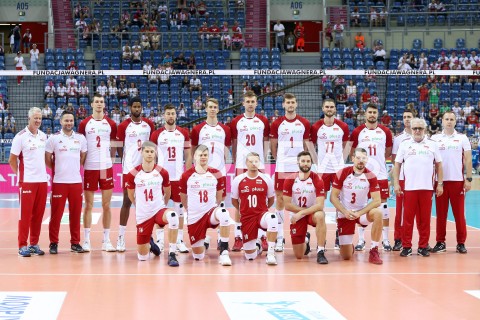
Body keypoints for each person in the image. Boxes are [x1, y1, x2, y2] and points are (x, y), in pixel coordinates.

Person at [393, 118, 443, 257]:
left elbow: (439, 165)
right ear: (411, 129)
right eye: (415, 128)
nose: (417, 131)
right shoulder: (404, 144)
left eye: (420, 129)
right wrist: (396, 183)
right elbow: (397, 165)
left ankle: (422, 246)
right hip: (409, 188)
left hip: (427, 188)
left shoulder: (432, 144)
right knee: (407, 219)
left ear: (425, 130)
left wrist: (440, 184)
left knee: (425, 219)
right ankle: (407, 246)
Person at [125, 141, 180, 267]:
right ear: (142, 152)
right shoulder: (133, 174)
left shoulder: (163, 172)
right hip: (143, 214)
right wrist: (139, 206)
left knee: (173, 216)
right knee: (142, 258)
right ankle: (150, 244)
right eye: (147, 151)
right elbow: (130, 195)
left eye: (152, 152)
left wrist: (163, 206)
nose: (149, 154)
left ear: (155, 153)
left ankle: (172, 254)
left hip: (158, 210)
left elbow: (167, 192)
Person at [230, 91, 270, 251]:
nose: (251, 104)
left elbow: (266, 141)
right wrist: (235, 160)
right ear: (243, 103)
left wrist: (264, 160)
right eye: (248, 101)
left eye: (253, 101)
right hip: (241, 163)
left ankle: (262, 236)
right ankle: (238, 236)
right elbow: (233, 143)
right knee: (240, 202)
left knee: (262, 201)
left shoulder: (263, 121)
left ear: (256, 103)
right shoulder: (236, 121)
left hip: (259, 164)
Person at [179, 145, 232, 266]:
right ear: (194, 157)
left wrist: (213, 208)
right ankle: (205, 240)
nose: (203, 157)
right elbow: (183, 198)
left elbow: (220, 197)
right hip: (195, 217)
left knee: (224, 213)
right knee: (198, 257)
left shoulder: (216, 173)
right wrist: (191, 210)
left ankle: (224, 252)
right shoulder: (186, 175)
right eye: (200, 155)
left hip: (210, 213)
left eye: (205, 155)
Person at [350, 103, 393, 251]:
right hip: (362, 175)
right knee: (360, 206)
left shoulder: (385, 131)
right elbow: (353, 153)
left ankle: (385, 240)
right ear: (365, 114)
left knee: (383, 207)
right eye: (370, 112)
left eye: (374, 112)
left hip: (380, 175)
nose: (372, 115)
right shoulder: (357, 132)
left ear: (378, 114)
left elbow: (387, 152)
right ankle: (361, 240)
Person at [270, 93, 310, 252]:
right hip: (282, 167)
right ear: (283, 105)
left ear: (296, 104)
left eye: (293, 102)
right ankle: (280, 237)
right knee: (280, 200)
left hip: (298, 167)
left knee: (301, 199)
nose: (291, 105)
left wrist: (302, 162)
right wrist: (280, 159)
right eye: (288, 102)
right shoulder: (277, 123)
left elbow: (306, 147)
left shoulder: (304, 123)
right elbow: (273, 146)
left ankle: (304, 235)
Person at [330, 148, 384, 265]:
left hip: (362, 213)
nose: (361, 161)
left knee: (378, 213)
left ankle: (374, 250)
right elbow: (333, 197)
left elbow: (377, 200)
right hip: (345, 213)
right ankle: (348, 246)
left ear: (367, 160)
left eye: (364, 158)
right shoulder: (343, 173)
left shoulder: (370, 176)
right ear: (353, 158)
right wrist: (344, 211)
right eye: (358, 158)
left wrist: (360, 213)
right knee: (346, 256)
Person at [150, 103, 192, 253]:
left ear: (176, 115)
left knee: (180, 210)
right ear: (164, 115)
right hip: (161, 178)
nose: (170, 116)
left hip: (178, 177)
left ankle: (179, 240)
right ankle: (160, 241)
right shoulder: (157, 134)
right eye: (168, 113)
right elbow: (152, 156)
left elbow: (188, 155)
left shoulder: (183, 133)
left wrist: (186, 175)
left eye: (173, 113)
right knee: (160, 209)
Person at [78, 94, 117, 252]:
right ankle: (86, 240)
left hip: (105, 167)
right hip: (90, 167)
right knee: (88, 205)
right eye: (97, 102)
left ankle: (106, 240)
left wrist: (110, 161)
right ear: (92, 104)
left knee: (106, 205)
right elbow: (81, 146)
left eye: (102, 101)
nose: (99, 104)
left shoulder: (111, 124)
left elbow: (114, 145)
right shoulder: (84, 123)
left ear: (104, 104)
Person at [115, 97, 155, 252]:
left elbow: (151, 146)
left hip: (145, 169)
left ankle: (148, 239)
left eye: (139, 106)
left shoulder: (149, 125)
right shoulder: (123, 125)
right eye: (134, 107)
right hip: (129, 170)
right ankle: (120, 237)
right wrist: (126, 162)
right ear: (130, 108)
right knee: (126, 202)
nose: (137, 109)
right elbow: (119, 147)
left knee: (147, 204)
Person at [45, 111, 87, 254]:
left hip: (76, 182)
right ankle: (53, 243)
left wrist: (74, 169)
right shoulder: (53, 138)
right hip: (59, 182)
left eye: (71, 120)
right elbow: (47, 159)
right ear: (61, 122)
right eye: (66, 121)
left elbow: (83, 157)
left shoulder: (80, 138)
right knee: (56, 215)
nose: (69, 123)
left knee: (76, 215)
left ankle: (75, 243)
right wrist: (58, 169)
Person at [310, 99, 349, 249]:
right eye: (327, 106)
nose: (329, 109)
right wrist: (317, 163)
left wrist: (342, 163)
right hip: (323, 169)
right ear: (323, 108)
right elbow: (310, 145)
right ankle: (322, 238)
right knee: (320, 203)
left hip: (338, 169)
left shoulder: (343, 126)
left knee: (340, 202)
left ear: (335, 109)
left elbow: (348, 145)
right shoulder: (316, 126)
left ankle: (340, 236)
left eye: (332, 107)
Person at [9, 107, 48, 257]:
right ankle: (22, 245)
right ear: (29, 118)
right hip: (27, 182)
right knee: (25, 215)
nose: (38, 121)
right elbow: (12, 160)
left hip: (42, 182)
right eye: (35, 118)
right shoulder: (20, 137)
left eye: (40, 118)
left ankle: (33, 244)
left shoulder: (43, 136)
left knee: (38, 215)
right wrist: (21, 177)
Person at [431, 112, 472, 254]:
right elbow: (431, 161)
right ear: (442, 121)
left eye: (451, 119)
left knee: (459, 214)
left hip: (457, 182)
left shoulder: (462, 138)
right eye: (446, 119)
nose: (449, 122)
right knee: (440, 215)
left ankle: (461, 243)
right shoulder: (434, 138)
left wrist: (468, 178)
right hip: (440, 182)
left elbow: (468, 159)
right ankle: (440, 242)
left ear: (455, 122)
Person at [231, 152, 278, 265]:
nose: (253, 163)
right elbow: (234, 201)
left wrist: (263, 209)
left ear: (260, 163)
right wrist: (243, 210)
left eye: (256, 161)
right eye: (251, 161)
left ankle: (271, 253)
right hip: (247, 218)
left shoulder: (266, 179)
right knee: (250, 257)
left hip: (262, 215)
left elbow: (271, 199)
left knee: (272, 217)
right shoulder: (238, 179)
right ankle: (257, 247)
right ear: (246, 163)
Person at [284, 151, 328, 264]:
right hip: (297, 214)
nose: (305, 164)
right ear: (298, 162)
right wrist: (301, 213)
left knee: (320, 215)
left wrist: (302, 213)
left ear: (311, 163)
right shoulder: (290, 179)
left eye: (308, 161)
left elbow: (320, 205)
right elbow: (287, 205)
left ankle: (321, 251)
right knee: (299, 255)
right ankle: (306, 240)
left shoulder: (317, 179)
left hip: (312, 213)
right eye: (303, 161)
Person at [191, 98, 231, 202]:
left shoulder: (225, 129)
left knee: (221, 199)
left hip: (220, 169)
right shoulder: (198, 129)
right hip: (202, 170)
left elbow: (226, 149)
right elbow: (193, 149)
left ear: (218, 110)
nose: (212, 109)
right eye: (210, 107)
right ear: (206, 109)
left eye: (215, 107)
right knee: (202, 199)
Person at [390, 109, 414, 251]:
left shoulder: (424, 137)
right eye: (404, 117)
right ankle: (398, 239)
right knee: (400, 211)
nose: (406, 119)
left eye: (409, 117)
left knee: (417, 211)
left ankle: (416, 241)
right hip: (403, 179)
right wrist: (395, 180)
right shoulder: (398, 139)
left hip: (418, 180)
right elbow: (394, 161)